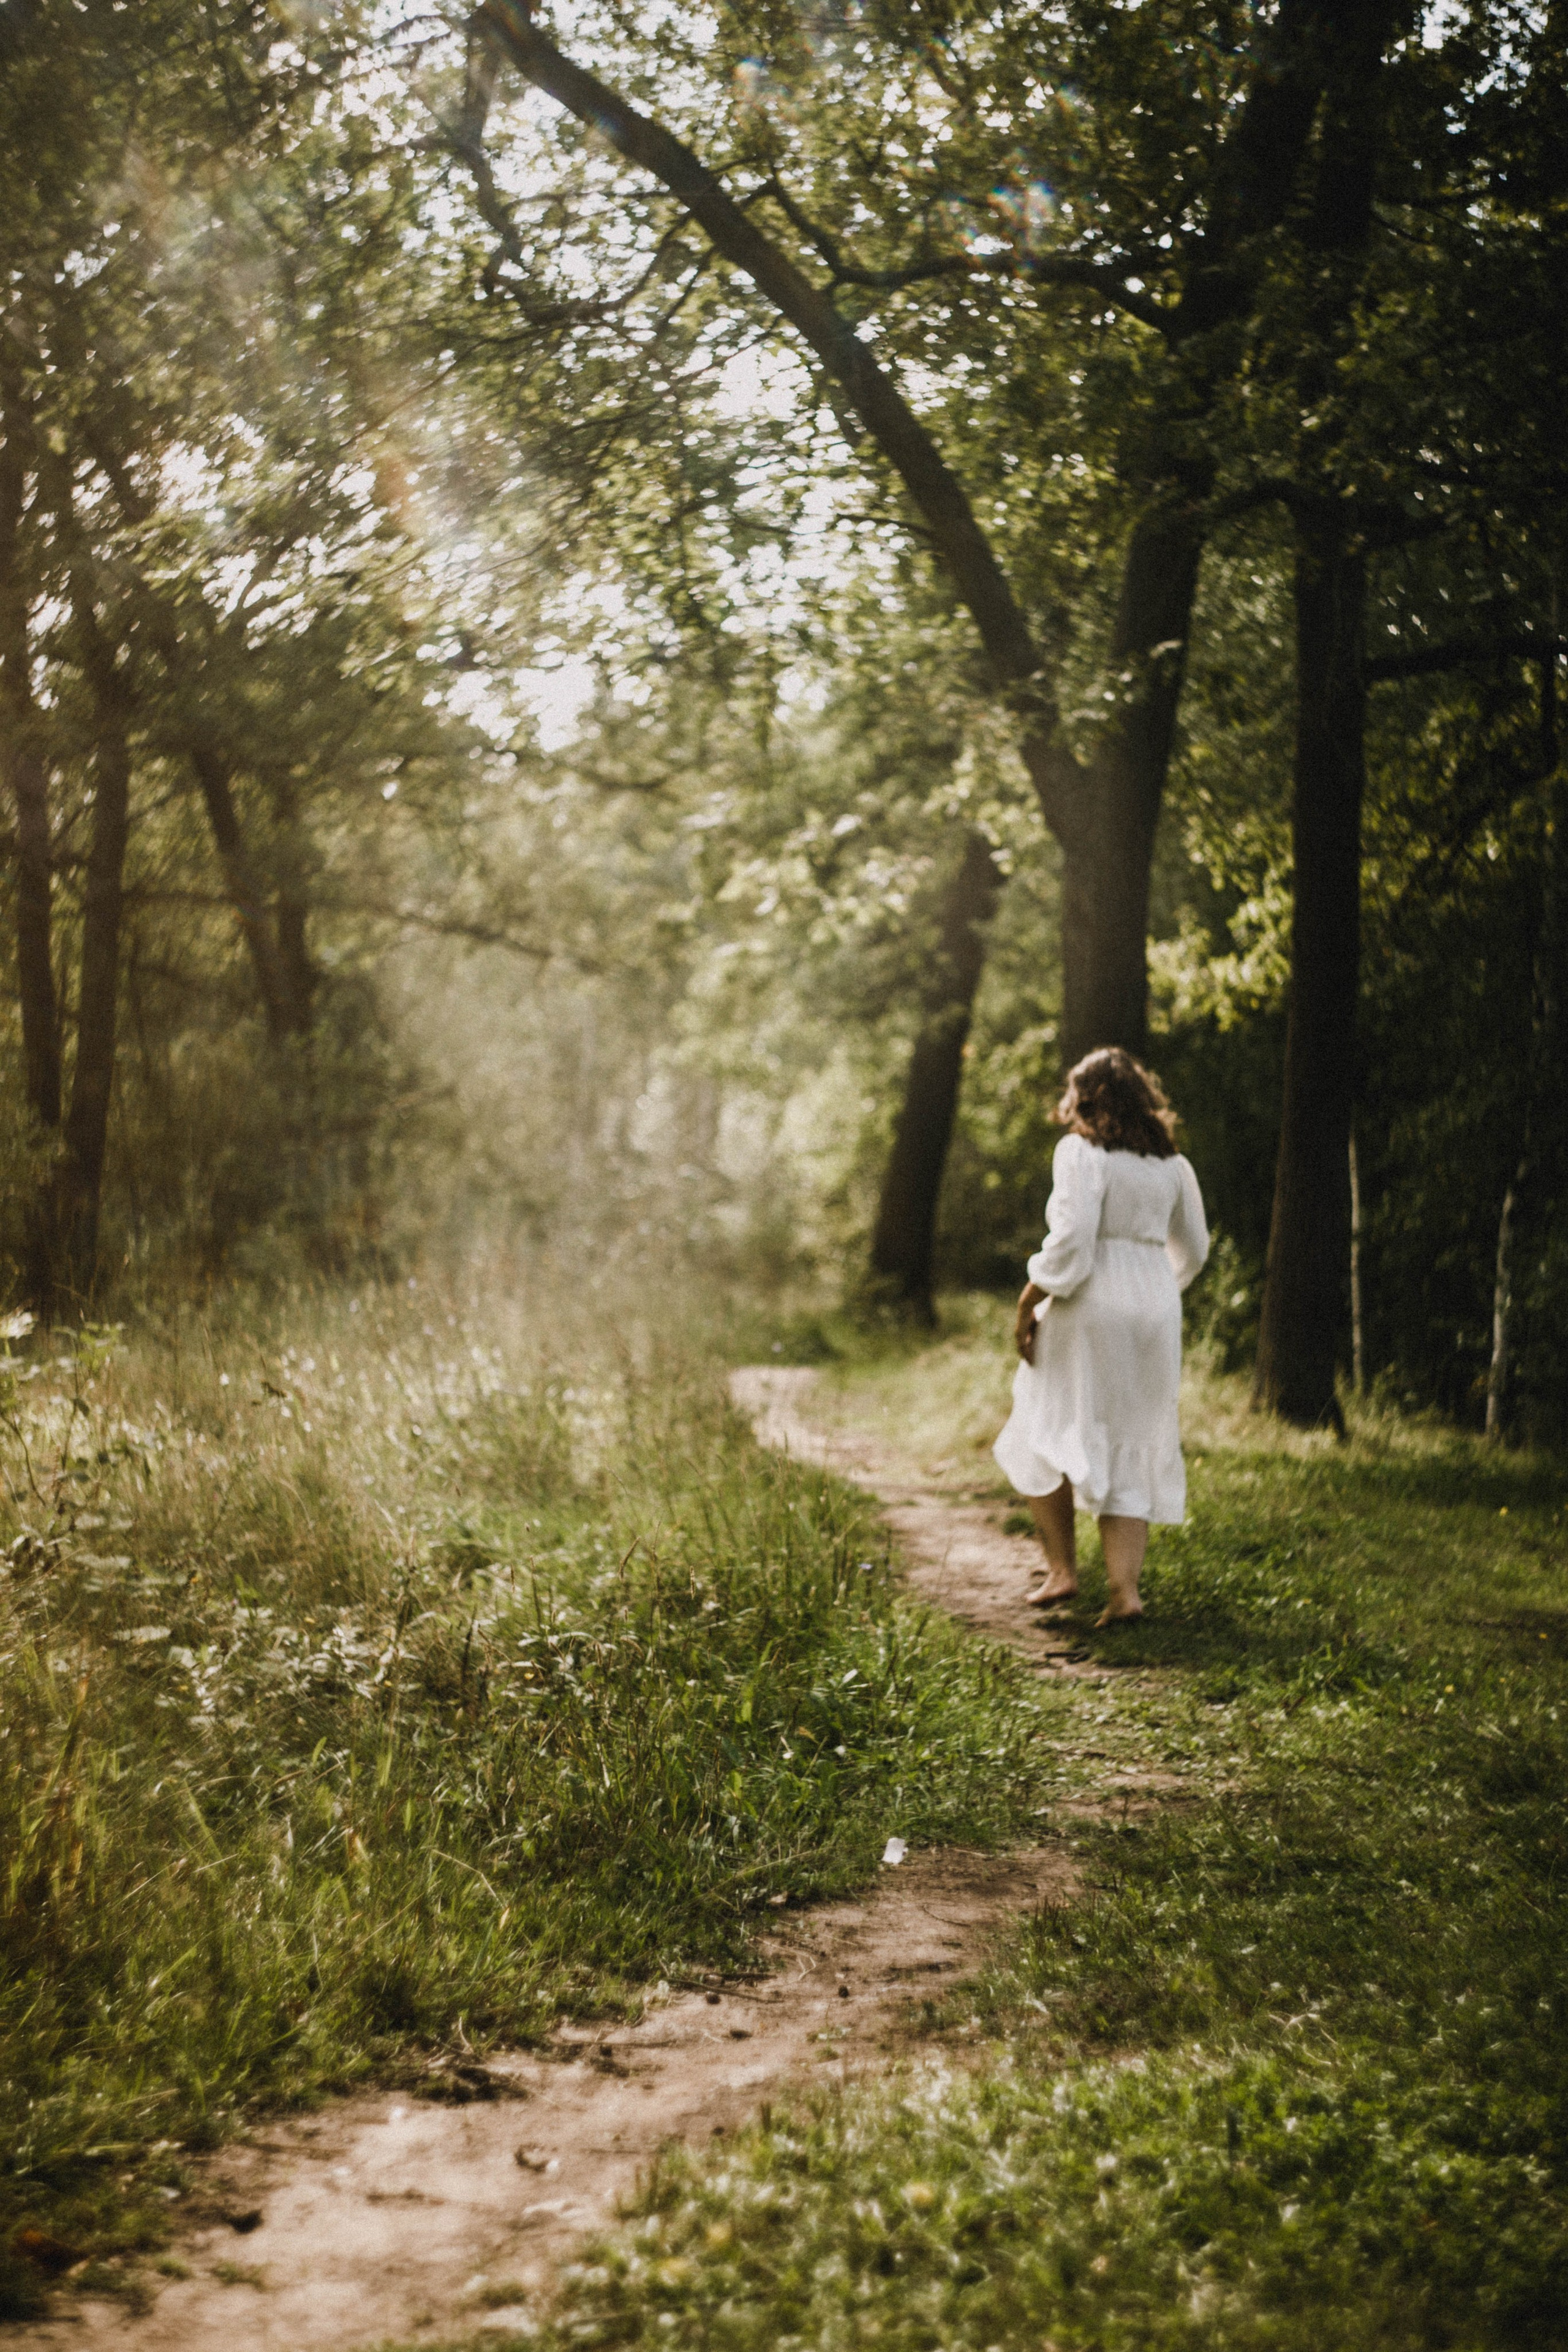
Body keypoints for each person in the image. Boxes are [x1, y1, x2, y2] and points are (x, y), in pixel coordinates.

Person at [993, 1047, 1209, 1626]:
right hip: (1156, 1311)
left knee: (1041, 1422)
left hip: (1089, 1305)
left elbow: (1072, 1240)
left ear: (1082, 1099)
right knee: (1133, 1438)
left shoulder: (1080, 1153)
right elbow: (1196, 1249)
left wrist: (1030, 1299)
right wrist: (1155, 1289)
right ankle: (1124, 1592)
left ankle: (1062, 1572)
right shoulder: (1173, 1167)